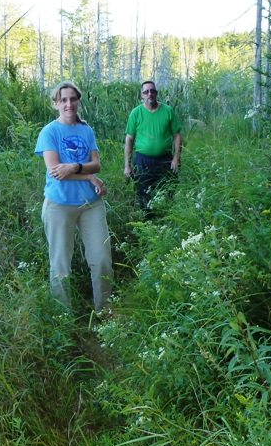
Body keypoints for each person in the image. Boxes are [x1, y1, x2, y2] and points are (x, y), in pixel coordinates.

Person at [35, 81, 113, 313]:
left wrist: (76, 168)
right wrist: (88, 177)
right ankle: (63, 318)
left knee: (101, 259)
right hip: (59, 205)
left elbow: (96, 164)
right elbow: (56, 171)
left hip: (91, 204)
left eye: (73, 99)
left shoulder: (86, 130)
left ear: (79, 101)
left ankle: (105, 310)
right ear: (56, 103)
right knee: (60, 265)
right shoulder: (49, 132)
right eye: (64, 100)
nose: (69, 104)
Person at [124, 80, 182, 218]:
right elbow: (129, 139)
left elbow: (177, 135)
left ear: (156, 93)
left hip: (165, 160)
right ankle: (148, 222)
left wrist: (176, 158)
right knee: (143, 193)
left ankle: (168, 219)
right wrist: (127, 165)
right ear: (142, 95)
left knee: (169, 191)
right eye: (146, 92)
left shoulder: (168, 111)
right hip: (143, 160)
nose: (149, 94)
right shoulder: (136, 113)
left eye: (152, 91)